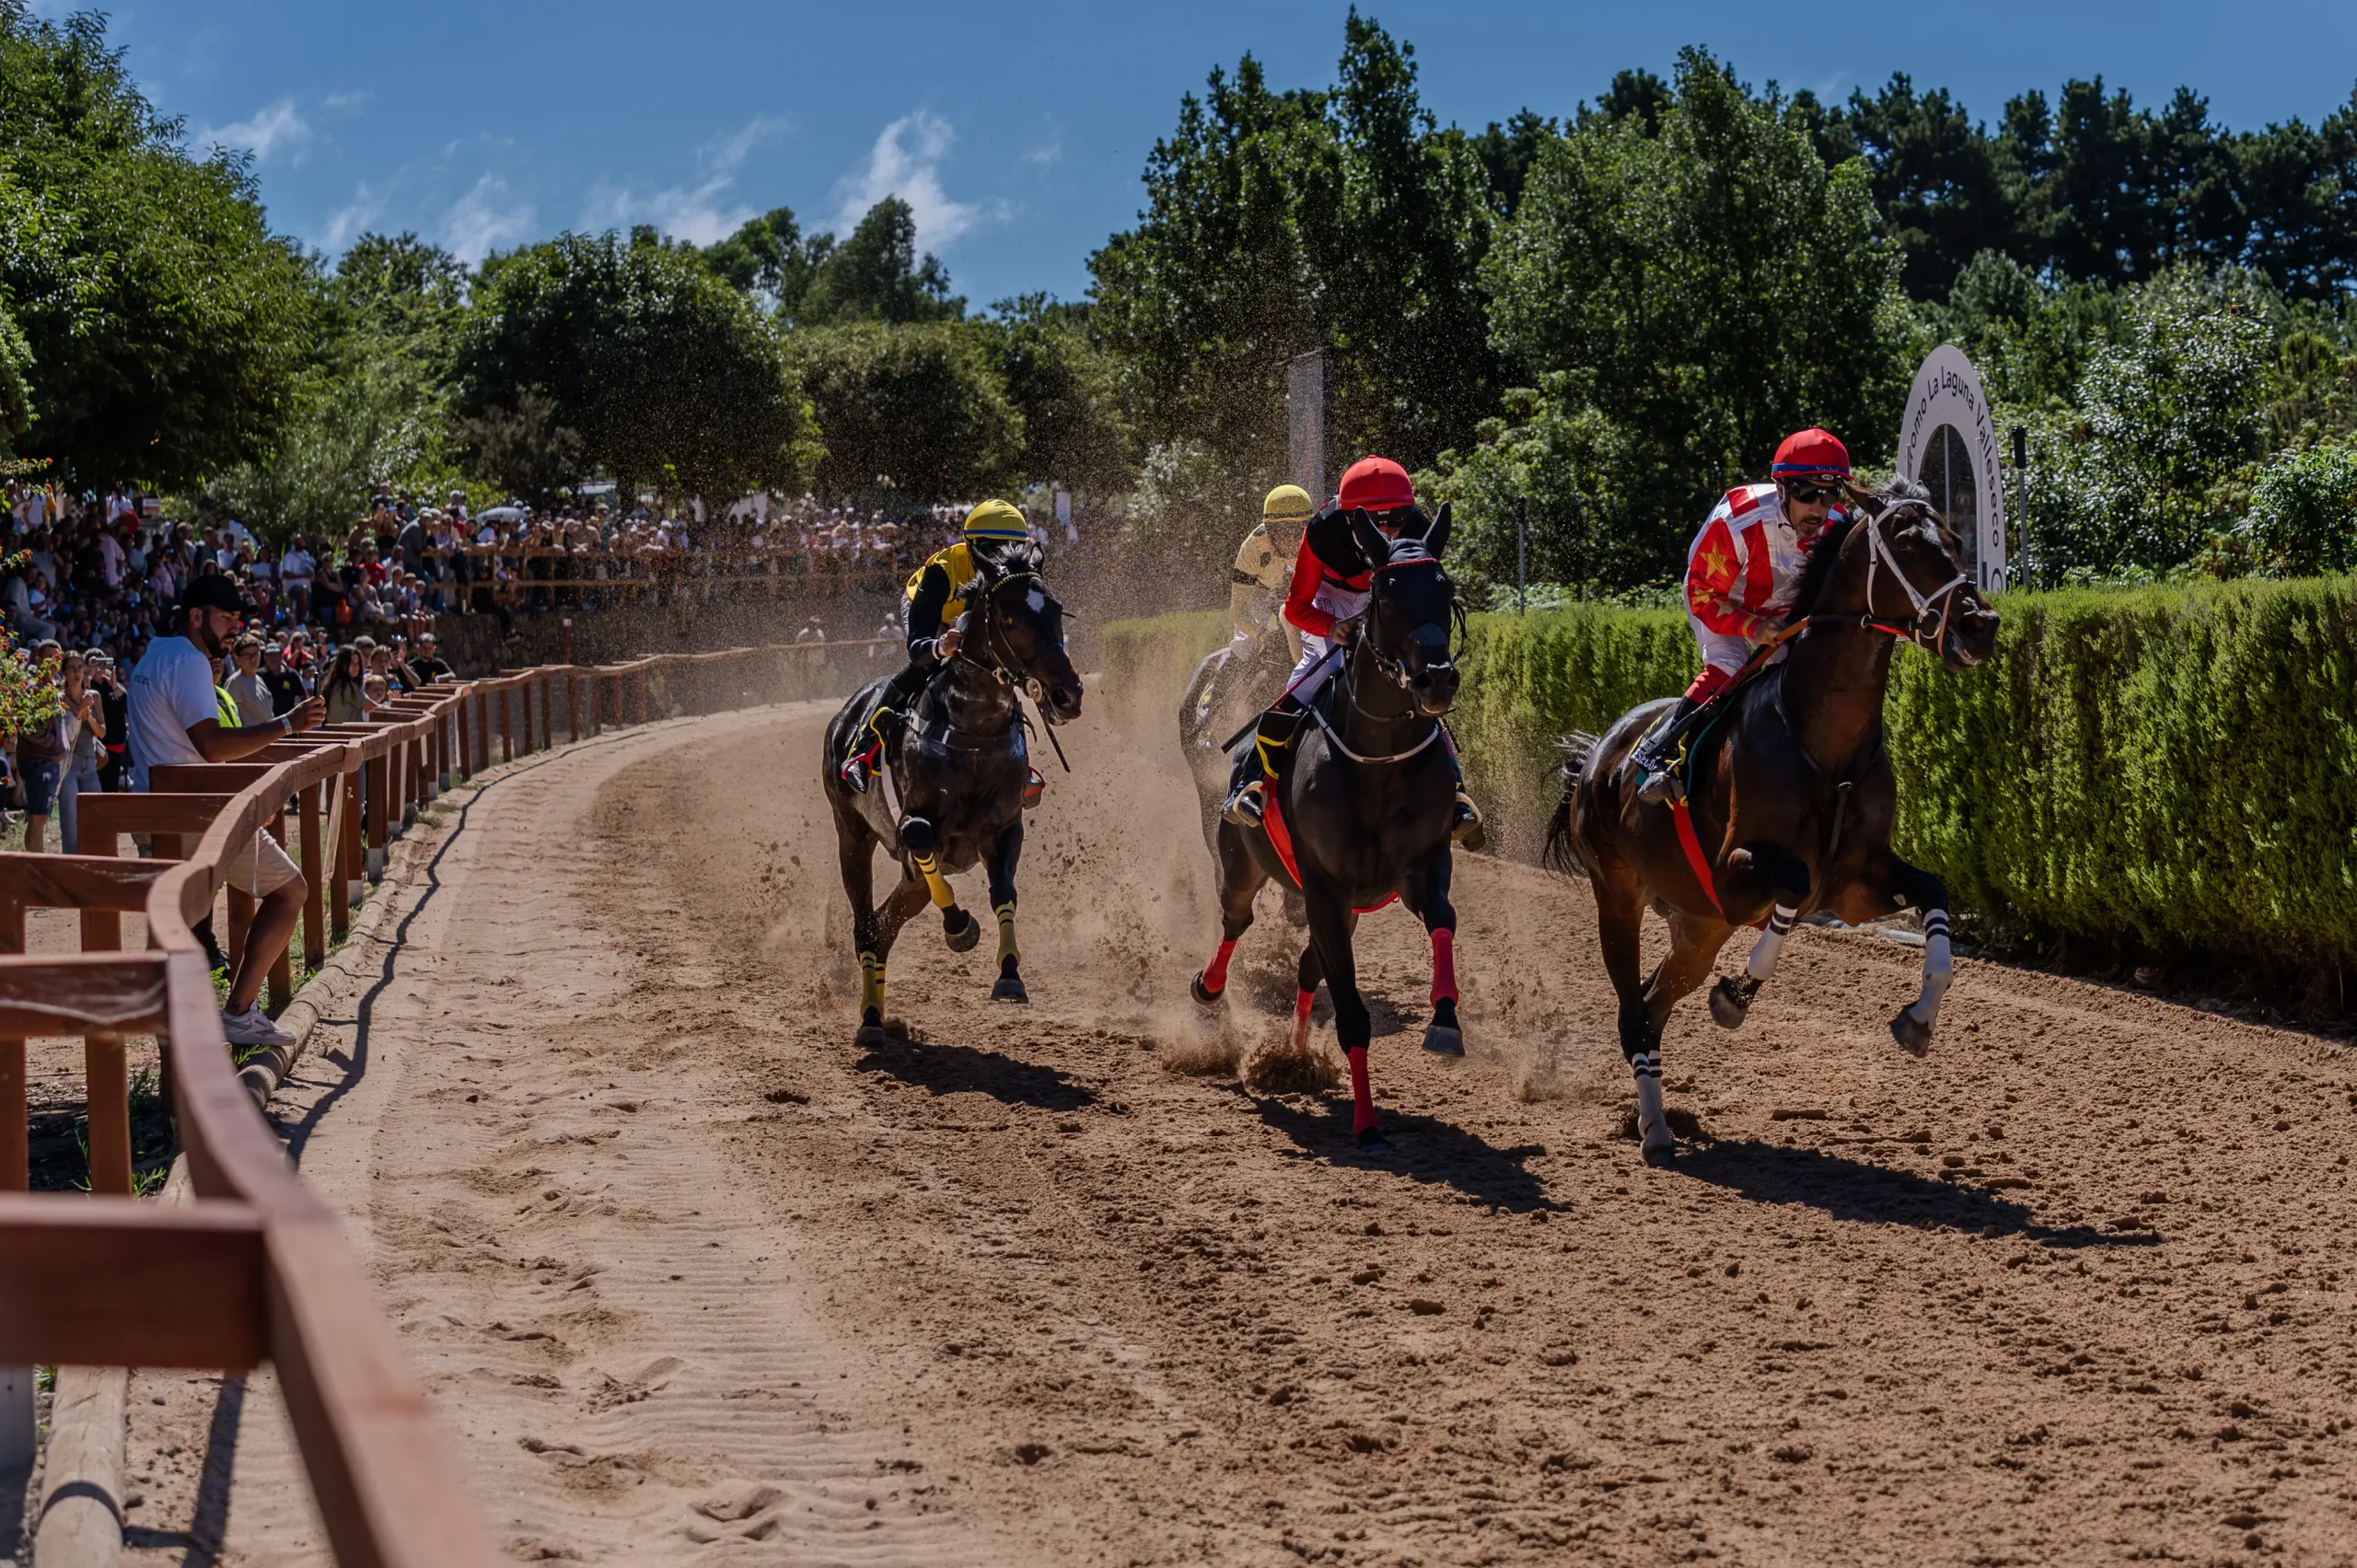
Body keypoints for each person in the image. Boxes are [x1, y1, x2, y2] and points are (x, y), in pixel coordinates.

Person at [1220, 457, 1483, 846]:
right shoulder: (1321, 533)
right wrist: (1331, 627)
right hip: (1329, 601)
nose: (1392, 531)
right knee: (1317, 672)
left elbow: (1425, 595)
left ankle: (1457, 792)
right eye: (1380, 523)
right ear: (1349, 518)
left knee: (1419, 682)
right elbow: (1295, 608)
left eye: (1398, 519)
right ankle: (1252, 781)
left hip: (1384, 600)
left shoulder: (1417, 526)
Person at [127, 574, 327, 1049]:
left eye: (238, 618)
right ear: (196, 616)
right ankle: (236, 1015)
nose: (234, 627)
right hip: (196, 813)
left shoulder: (153, 656)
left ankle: (170, 1052)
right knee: (291, 892)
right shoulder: (189, 660)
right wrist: (287, 724)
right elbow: (212, 746)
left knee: (171, 929)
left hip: (159, 812)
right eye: (225, 617)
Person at [1631, 427, 1853, 805]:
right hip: (1719, 596)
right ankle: (1657, 751)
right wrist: (1752, 625)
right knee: (1729, 666)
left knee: (1809, 671)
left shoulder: (1838, 524)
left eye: (1830, 493)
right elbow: (1703, 594)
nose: (1819, 507)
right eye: (1808, 493)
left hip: (1782, 606)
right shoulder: (1735, 522)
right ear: (1782, 487)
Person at [839, 499, 1043, 803]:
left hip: (971, 619)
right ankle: (863, 750)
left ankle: (1020, 766)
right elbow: (918, 651)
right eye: (991, 550)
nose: (1002, 559)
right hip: (933, 614)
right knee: (928, 668)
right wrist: (939, 646)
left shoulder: (1017, 576)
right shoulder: (940, 573)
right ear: (969, 545)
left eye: (1012, 549)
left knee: (999, 678)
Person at [1230, 483, 1312, 656]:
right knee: (1245, 647)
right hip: (1259, 593)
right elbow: (1238, 609)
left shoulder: (1320, 541)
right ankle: (1221, 682)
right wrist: (1262, 635)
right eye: (1282, 532)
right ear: (1269, 529)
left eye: (1297, 531)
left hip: (1304, 592)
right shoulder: (1252, 548)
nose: (1290, 540)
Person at [14, 641, 68, 853]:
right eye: (49, 657)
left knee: (41, 816)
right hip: (38, 761)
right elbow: (27, 726)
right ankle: (36, 866)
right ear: (38, 659)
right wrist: (53, 743)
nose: (54, 662)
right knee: (38, 817)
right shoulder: (33, 688)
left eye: (57, 658)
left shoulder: (53, 685)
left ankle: (35, 863)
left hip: (48, 761)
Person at [55, 650, 103, 854]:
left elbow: (102, 732)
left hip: (90, 763)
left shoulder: (94, 696)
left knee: (97, 816)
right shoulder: (57, 699)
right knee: (70, 823)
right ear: (64, 672)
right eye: (72, 668)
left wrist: (89, 717)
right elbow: (63, 736)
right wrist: (77, 711)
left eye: (80, 668)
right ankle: (71, 867)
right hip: (68, 766)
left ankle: (96, 863)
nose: (77, 672)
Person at [224, 633, 274, 726]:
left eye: (255, 654)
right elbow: (228, 717)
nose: (253, 659)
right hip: (250, 739)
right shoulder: (235, 682)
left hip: (267, 737)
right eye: (247, 655)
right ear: (237, 658)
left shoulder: (258, 678)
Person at [321, 645, 368, 725]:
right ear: (342, 664)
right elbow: (372, 707)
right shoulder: (346, 686)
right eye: (352, 663)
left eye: (358, 663)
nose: (356, 667)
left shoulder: (333, 683)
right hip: (347, 734)